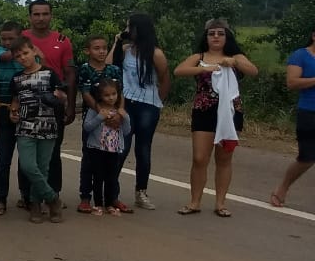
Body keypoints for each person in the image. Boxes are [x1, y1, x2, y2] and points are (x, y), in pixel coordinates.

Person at [173, 19, 258, 217]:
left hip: (230, 112)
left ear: (227, 36)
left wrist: (235, 62)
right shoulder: (199, 56)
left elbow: (253, 71)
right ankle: (195, 202)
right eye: (212, 34)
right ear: (206, 37)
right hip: (204, 111)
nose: (216, 37)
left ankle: (220, 203)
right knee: (199, 158)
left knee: (224, 158)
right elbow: (179, 71)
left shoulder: (235, 56)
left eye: (220, 33)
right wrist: (205, 68)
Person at [115, 13, 170, 210]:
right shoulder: (125, 49)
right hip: (127, 102)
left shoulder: (156, 54)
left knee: (143, 149)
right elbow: (111, 64)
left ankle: (141, 191)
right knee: (122, 147)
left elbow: (164, 79)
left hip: (148, 104)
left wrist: (157, 102)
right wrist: (118, 39)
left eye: (131, 27)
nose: (128, 30)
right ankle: (112, 190)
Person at [9, 37, 67, 223]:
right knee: (28, 166)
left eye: (25, 53)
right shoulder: (17, 78)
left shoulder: (50, 74)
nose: (23, 58)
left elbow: (62, 96)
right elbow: (15, 101)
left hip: (47, 126)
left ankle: (35, 204)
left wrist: (59, 97)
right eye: (18, 56)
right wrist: (13, 112)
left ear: (34, 51)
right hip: (25, 127)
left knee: (42, 168)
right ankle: (53, 199)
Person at [23, 0, 77, 196]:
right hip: (26, 103)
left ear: (51, 16)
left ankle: (53, 193)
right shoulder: (22, 38)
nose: (40, 18)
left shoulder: (62, 40)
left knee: (53, 152)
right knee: (28, 153)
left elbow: (69, 73)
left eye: (45, 14)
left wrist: (70, 105)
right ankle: (27, 196)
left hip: (54, 104)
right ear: (29, 17)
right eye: (36, 14)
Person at [76, 34, 124, 213]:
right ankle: (86, 197)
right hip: (94, 120)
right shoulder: (85, 69)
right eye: (97, 48)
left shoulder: (114, 70)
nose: (102, 51)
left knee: (113, 160)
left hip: (114, 118)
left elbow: (121, 93)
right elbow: (86, 93)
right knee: (90, 160)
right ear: (88, 51)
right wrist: (102, 113)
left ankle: (113, 197)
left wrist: (119, 113)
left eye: (104, 48)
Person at [271, 24, 315, 208]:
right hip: (309, 112)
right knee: (307, 157)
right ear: (313, 35)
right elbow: (292, 82)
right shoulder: (301, 55)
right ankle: (282, 188)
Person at [0, 21, 25, 217]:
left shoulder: (29, 54)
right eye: (4, 38)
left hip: (24, 109)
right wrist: (23, 50)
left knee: (26, 159)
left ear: (20, 36)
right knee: (3, 158)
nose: (7, 42)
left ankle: (25, 196)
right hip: (2, 109)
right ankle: (1, 198)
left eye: (12, 38)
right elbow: (5, 55)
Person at [82, 79, 130, 216]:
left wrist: (125, 117)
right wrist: (99, 117)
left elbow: (127, 131)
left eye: (114, 94)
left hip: (113, 150)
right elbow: (87, 127)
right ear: (100, 96)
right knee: (98, 177)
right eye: (107, 95)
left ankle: (109, 204)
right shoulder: (95, 110)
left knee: (112, 177)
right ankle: (98, 204)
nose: (111, 98)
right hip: (97, 149)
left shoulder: (119, 111)